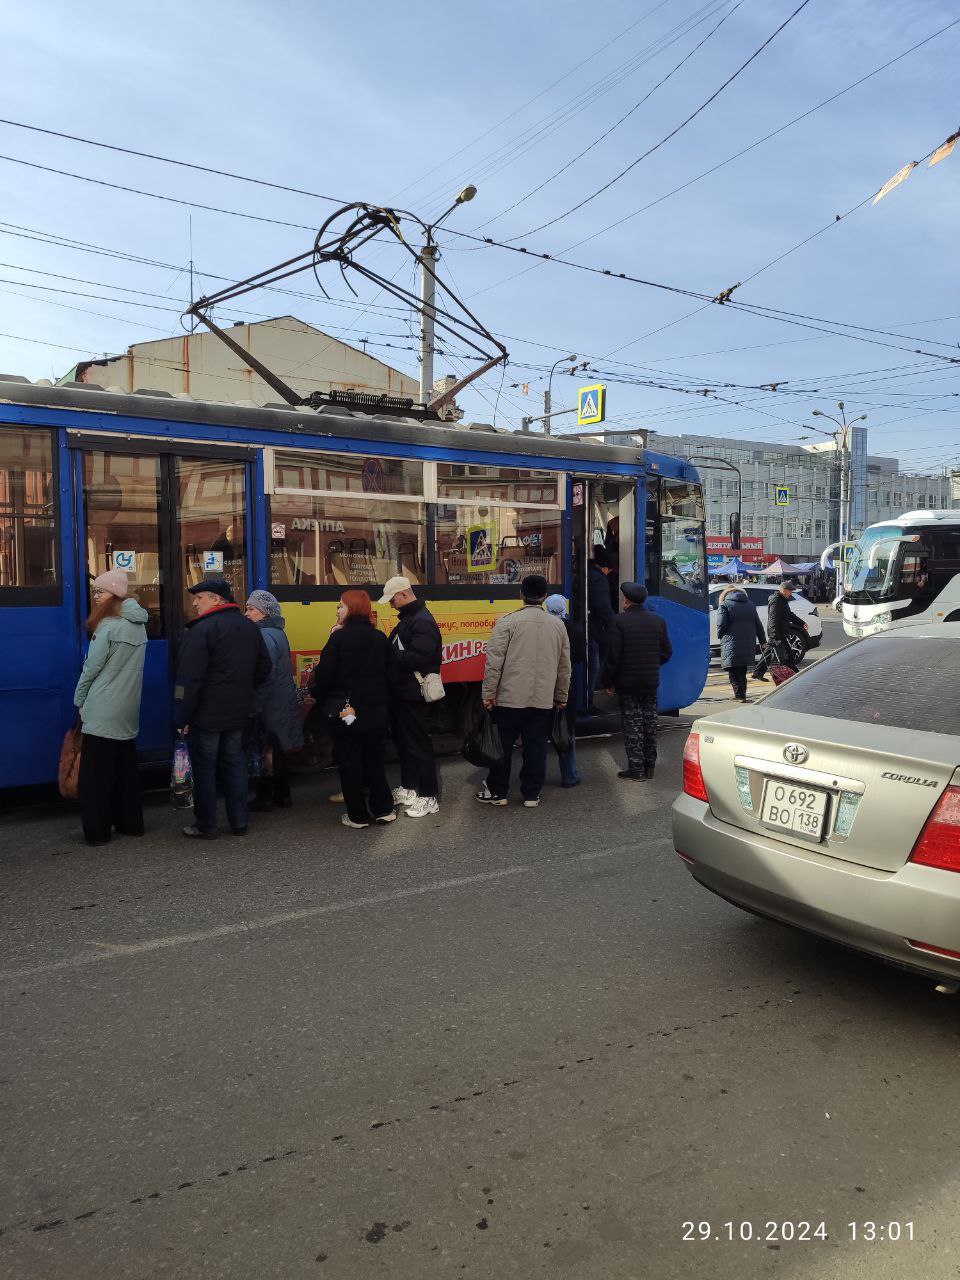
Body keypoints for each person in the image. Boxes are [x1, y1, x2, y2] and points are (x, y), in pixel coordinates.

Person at [174, 578, 271, 840]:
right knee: (235, 764)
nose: (195, 603)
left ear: (216, 599)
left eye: (200, 597)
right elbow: (264, 668)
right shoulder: (248, 627)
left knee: (205, 769)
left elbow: (188, 679)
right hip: (238, 712)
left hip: (207, 714)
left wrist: (181, 715)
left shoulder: (201, 630)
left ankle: (206, 825)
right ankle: (239, 821)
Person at [476, 574, 571, 808]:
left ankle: (499, 792)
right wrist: (561, 697)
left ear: (521, 595)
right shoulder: (558, 625)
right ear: (545, 597)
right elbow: (564, 667)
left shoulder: (507, 622)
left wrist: (488, 694)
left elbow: (494, 662)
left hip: (510, 699)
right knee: (536, 745)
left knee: (504, 746)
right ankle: (531, 794)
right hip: (542, 700)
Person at [309, 589, 398, 829]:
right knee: (375, 762)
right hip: (376, 713)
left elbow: (324, 677)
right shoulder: (380, 638)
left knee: (349, 763)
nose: (337, 610)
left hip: (345, 713)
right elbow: (392, 677)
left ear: (351, 609)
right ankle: (384, 810)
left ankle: (358, 815)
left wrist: (320, 696)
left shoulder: (338, 639)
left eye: (340, 605)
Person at [73, 569, 148, 846]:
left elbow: (90, 670)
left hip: (103, 708)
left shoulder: (108, 627)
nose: (96, 596)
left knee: (95, 777)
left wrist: (79, 700)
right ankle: (131, 824)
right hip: (128, 708)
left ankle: (97, 832)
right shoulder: (139, 625)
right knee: (125, 771)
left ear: (114, 595)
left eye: (100, 592)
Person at [378, 575, 443, 819]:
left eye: (392, 600)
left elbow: (419, 657)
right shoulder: (412, 618)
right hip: (403, 692)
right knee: (405, 743)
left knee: (418, 744)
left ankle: (428, 796)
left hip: (412, 693)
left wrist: (387, 657)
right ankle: (409, 788)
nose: (391, 605)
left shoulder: (421, 621)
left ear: (403, 595)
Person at [602, 582, 672, 781]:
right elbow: (667, 653)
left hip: (628, 684)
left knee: (633, 726)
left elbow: (613, 656)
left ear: (626, 600)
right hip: (650, 682)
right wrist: (651, 664)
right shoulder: (658, 621)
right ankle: (650, 768)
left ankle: (636, 770)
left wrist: (608, 681)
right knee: (650, 724)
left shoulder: (619, 621)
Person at [244, 590, 304, 811]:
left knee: (267, 748)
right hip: (281, 698)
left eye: (252, 609)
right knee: (276, 748)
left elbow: (265, 673)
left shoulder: (264, 635)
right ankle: (282, 795)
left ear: (265, 612)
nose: (247, 613)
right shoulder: (277, 632)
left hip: (271, 702)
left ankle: (266, 797)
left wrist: (255, 704)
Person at [546, 594, 585, 788]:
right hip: (566, 685)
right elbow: (579, 656)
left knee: (538, 732)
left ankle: (534, 776)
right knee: (566, 729)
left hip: (543, 684)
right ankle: (569, 775)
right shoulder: (573, 628)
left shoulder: (542, 628)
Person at [716, 586, 765, 702]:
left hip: (731, 641)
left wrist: (720, 634)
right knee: (742, 670)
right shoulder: (751, 605)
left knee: (733, 670)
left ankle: (739, 695)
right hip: (748, 642)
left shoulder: (724, 605)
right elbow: (758, 625)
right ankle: (742, 694)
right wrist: (763, 641)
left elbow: (721, 624)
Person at [753, 579, 807, 681]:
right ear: (783, 590)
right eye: (789, 591)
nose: (790, 593)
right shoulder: (776, 601)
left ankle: (757, 673)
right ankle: (795, 673)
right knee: (788, 654)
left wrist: (801, 623)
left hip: (780, 633)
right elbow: (773, 619)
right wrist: (774, 635)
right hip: (777, 633)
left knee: (769, 654)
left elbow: (790, 615)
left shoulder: (782, 600)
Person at [586, 548, 615, 713]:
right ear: (606, 567)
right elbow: (603, 606)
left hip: (589, 626)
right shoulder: (600, 579)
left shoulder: (587, 573)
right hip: (594, 629)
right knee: (594, 665)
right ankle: (589, 702)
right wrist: (614, 623)